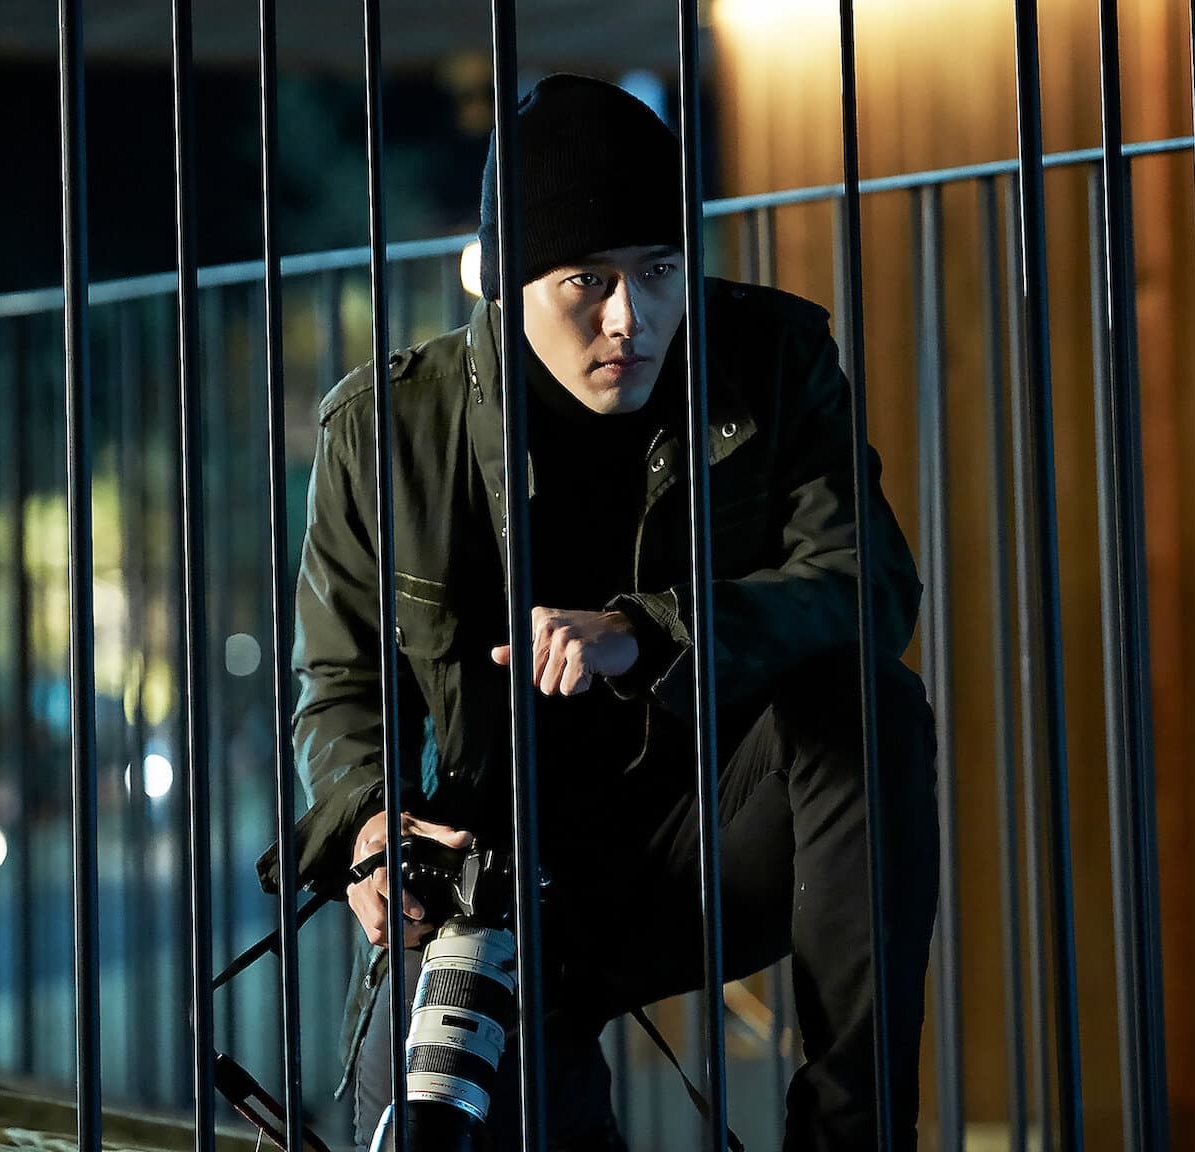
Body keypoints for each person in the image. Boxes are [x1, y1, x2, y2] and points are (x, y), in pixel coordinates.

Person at [256, 73, 938, 1152]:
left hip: (707, 842)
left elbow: (870, 581)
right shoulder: (384, 433)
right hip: (496, 888)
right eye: (588, 279)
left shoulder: (769, 359)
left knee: (869, 710)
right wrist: (371, 823)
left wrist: (652, 629)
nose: (632, 317)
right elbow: (339, 684)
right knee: (439, 1129)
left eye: (660, 272)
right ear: (508, 284)